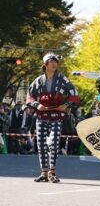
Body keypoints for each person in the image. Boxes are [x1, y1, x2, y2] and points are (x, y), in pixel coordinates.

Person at [26, 53, 80, 183]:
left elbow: (74, 94)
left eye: (56, 61)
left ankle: (52, 171)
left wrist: (66, 104)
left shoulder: (62, 79)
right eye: (51, 61)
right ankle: (44, 172)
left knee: (54, 143)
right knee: (41, 144)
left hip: (57, 115)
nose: (54, 64)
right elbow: (29, 96)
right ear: (45, 64)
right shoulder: (39, 80)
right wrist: (36, 104)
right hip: (41, 115)